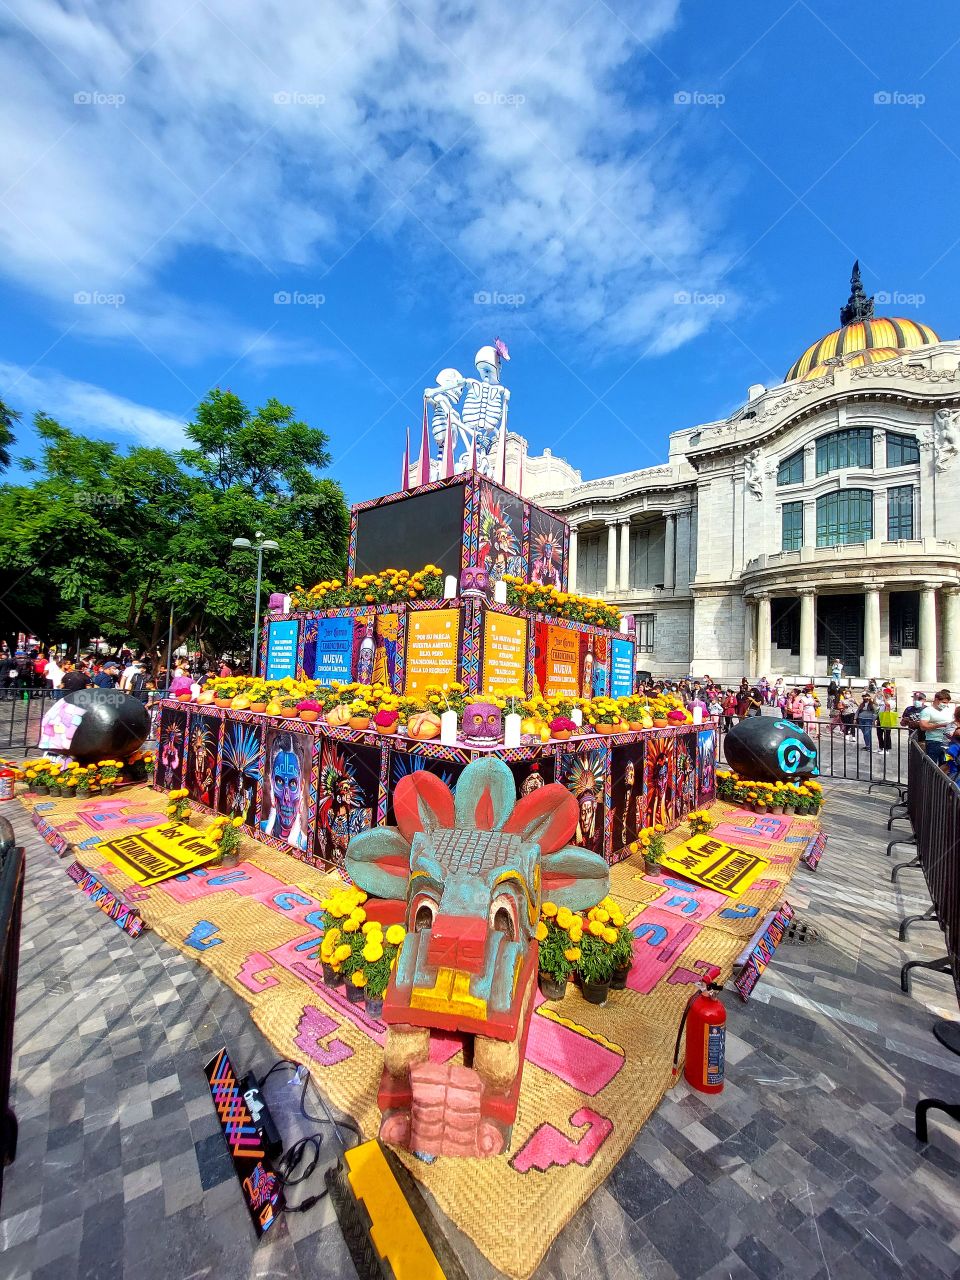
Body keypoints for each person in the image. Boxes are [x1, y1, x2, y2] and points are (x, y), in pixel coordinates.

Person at [918, 689, 955, 765]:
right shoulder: (927, 711)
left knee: (945, 765)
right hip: (933, 741)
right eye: (944, 702)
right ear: (936, 700)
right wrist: (941, 725)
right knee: (931, 765)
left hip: (948, 742)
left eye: (947, 703)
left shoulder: (949, 711)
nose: (945, 704)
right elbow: (923, 726)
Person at [875, 685, 896, 754]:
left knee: (886, 734)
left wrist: (883, 696)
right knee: (879, 733)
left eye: (885, 693)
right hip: (880, 717)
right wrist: (876, 694)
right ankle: (881, 747)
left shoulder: (892, 701)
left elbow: (888, 705)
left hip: (887, 718)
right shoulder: (881, 701)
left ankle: (887, 749)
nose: (884, 694)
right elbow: (875, 702)